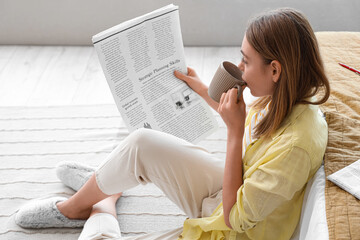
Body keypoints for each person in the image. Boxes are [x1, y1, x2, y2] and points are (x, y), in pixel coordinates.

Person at [15, 7, 330, 240]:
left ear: (275, 70)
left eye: (246, 61)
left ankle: (103, 202)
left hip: (236, 228)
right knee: (141, 142)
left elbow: (236, 219)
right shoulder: (286, 96)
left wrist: (234, 133)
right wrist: (203, 90)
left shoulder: (298, 143)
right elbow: (247, 127)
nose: (239, 67)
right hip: (233, 188)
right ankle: (75, 206)